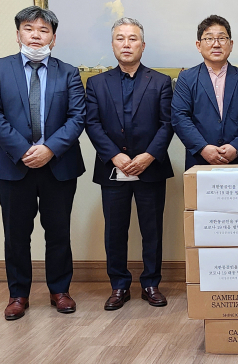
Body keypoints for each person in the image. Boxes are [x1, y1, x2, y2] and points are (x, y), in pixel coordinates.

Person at [0, 6, 85, 320]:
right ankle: (18, 294)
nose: (36, 36)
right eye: (29, 29)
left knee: (58, 231)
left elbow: (77, 116)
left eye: (43, 30)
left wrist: (49, 149)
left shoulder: (69, 72)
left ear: (53, 38)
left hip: (58, 165)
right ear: (18, 35)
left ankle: (60, 291)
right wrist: (25, 150)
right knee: (16, 234)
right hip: (13, 165)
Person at [85, 17, 174, 310]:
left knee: (152, 229)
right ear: (113, 45)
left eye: (132, 38)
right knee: (115, 230)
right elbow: (92, 123)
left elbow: (167, 124)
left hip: (151, 168)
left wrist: (148, 156)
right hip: (113, 168)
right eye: (120, 38)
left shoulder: (160, 81)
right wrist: (115, 155)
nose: (126, 44)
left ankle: (151, 283)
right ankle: (119, 286)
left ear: (143, 45)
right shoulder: (96, 83)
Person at [172, 15, 238, 169]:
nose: (216, 44)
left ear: (231, 44)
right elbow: (180, 117)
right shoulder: (186, 78)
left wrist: (236, 147)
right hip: (199, 161)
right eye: (209, 39)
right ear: (198, 45)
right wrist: (203, 148)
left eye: (222, 38)